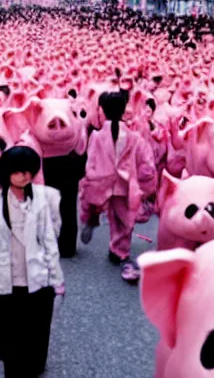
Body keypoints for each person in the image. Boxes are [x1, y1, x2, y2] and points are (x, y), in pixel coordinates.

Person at [0, 145, 64, 378]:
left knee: (37, 333)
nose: (24, 175)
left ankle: (34, 365)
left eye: (29, 170)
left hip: (38, 280)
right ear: (6, 172)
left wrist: (57, 279)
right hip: (4, 282)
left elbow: (48, 240)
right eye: (18, 170)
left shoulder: (41, 199)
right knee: (8, 338)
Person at [78, 90, 156, 282]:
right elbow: (146, 164)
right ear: (124, 110)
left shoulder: (96, 136)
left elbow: (91, 161)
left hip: (101, 180)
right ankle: (120, 251)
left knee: (100, 207)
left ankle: (92, 218)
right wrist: (146, 186)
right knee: (124, 220)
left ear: (102, 110)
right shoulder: (135, 137)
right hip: (125, 183)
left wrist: (90, 179)